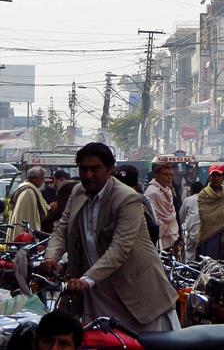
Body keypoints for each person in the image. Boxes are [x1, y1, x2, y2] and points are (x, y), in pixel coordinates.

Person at [43, 142, 180, 332]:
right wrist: (51, 257)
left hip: (137, 296)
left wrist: (87, 279)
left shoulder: (126, 198)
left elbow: (120, 248)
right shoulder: (78, 192)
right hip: (96, 295)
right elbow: (62, 228)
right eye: (83, 169)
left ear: (109, 169)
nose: (88, 175)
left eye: (94, 169)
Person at [196, 166, 224, 259]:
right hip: (209, 235)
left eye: (218, 175)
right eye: (213, 176)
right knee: (210, 265)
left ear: (223, 177)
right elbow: (205, 216)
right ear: (209, 178)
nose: (216, 178)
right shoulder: (203, 194)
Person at [144, 162, 180, 253]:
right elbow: (154, 218)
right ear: (157, 175)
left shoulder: (168, 190)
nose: (169, 177)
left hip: (172, 236)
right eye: (165, 174)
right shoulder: (152, 192)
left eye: (171, 175)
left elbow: (172, 215)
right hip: (159, 239)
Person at [9, 166, 48, 234]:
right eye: (41, 178)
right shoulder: (28, 193)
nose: (43, 180)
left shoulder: (29, 190)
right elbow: (31, 217)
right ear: (34, 179)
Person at [180, 181, 203, 262]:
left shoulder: (188, 200)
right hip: (206, 232)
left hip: (193, 231)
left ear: (192, 190)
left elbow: (181, 218)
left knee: (189, 251)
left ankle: (189, 270)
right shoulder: (207, 198)